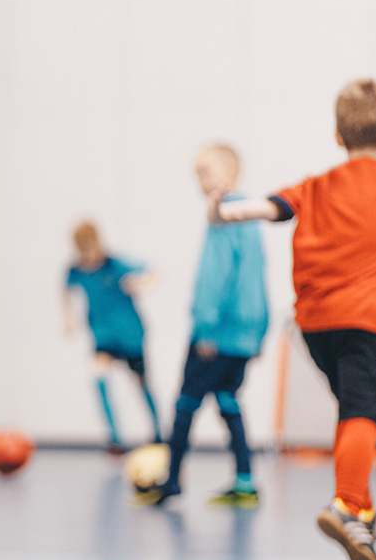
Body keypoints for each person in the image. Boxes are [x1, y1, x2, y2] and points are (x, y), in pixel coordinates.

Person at [211, 78, 376, 560]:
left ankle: (362, 513)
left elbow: (267, 208)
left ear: (337, 135)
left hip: (315, 328)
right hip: (369, 324)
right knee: (362, 412)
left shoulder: (315, 185)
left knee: (354, 413)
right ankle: (347, 505)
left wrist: (224, 210)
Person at [152, 144, 267, 508]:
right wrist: (258, 332)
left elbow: (216, 276)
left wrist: (204, 327)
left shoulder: (223, 215)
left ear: (231, 174)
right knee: (228, 398)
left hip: (216, 332)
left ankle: (171, 479)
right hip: (243, 332)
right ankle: (245, 480)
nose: (199, 180)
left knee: (186, 401)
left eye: (206, 171)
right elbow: (256, 277)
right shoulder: (251, 217)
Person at [64, 221, 161, 453]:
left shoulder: (115, 264)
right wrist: (67, 316)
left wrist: (141, 284)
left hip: (130, 335)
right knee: (98, 376)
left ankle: (159, 433)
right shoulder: (75, 270)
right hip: (103, 336)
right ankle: (115, 438)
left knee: (141, 384)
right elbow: (66, 291)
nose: (87, 256)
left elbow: (154, 271)